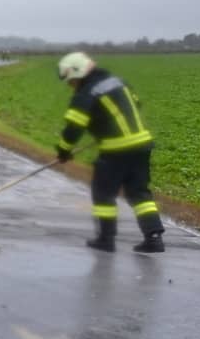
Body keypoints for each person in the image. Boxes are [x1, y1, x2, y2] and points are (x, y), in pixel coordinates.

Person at [56, 52, 164, 253]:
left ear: (78, 73)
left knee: (103, 193)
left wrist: (63, 151)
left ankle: (106, 239)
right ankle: (154, 238)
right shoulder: (118, 82)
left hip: (116, 150)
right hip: (142, 145)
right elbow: (135, 104)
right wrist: (103, 127)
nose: (71, 85)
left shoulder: (86, 93)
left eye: (71, 81)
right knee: (139, 192)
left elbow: (74, 128)